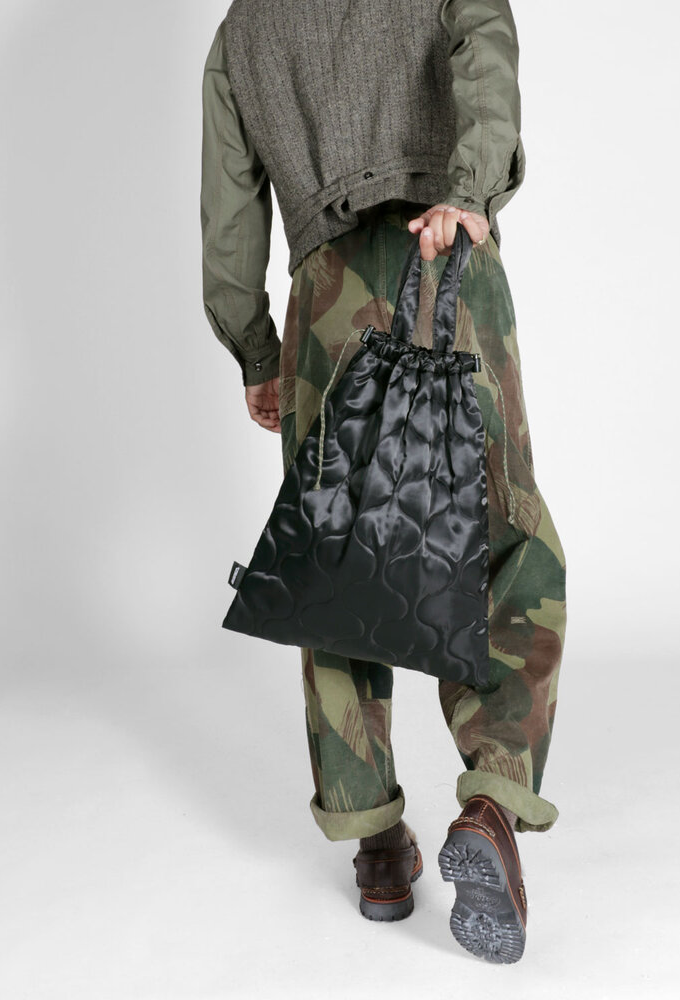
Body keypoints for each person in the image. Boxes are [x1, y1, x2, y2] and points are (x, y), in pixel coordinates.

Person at [200, 0, 567, 964]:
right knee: (507, 538)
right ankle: (491, 802)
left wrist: (255, 351)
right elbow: (487, 55)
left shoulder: (243, 30)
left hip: (322, 304)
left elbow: (230, 218)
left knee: (337, 557)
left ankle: (375, 845)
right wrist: (469, 191)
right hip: (445, 256)